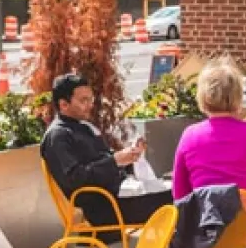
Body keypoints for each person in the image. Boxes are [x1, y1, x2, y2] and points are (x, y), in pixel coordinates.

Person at [41, 73, 171, 238]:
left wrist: (130, 157)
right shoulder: (58, 136)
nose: (90, 105)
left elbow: (104, 162)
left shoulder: (82, 127)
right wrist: (115, 161)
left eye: (91, 99)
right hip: (105, 207)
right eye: (83, 101)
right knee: (180, 197)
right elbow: (75, 178)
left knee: (180, 187)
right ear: (64, 104)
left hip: (118, 195)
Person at [173, 60, 246, 200]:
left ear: (202, 96)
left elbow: (180, 193)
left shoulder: (189, 136)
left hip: (205, 212)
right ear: (239, 97)